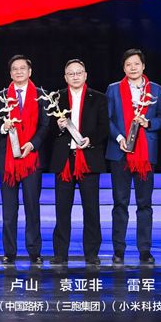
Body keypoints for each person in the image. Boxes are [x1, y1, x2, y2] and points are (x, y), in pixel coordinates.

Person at [105, 49, 161, 266]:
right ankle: (118, 250)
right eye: (128, 64)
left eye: (136, 64)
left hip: (145, 154)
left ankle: (145, 251)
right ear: (124, 68)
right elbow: (108, 119)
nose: (133, 68)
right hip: (120, 152)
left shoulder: (155, 89)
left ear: (143, 66)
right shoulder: (113, 89)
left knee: (144, 204)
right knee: (120, 203)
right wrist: (119, 137)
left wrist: (149, 123)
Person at [48, 59, 109, 266]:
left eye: (78, 73)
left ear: (85, 75)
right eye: (71, 73)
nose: (75, 76)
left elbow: (104, 127)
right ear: (65, 77)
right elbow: (48, 130)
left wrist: (91, 139)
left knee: (91, 209)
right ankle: (60, 254)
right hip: (64, 161)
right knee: (62, 210)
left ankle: (91, 253)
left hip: (88, 159)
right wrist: (57, 126)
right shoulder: (56, 98)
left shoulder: (98, 98)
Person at [0, 55, 49, 266]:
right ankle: (9, 252)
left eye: (22, 68)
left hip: (32, 159)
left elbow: (45, 125)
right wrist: (3, 127)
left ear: (30, 72)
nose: (18, 72)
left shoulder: (41, 96)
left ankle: (34, 251)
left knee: (32, 207)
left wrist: (32, 144)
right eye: (15, 69)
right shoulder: (0, 97)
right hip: (8, 161)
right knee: (9, 211)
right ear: (10, 73)